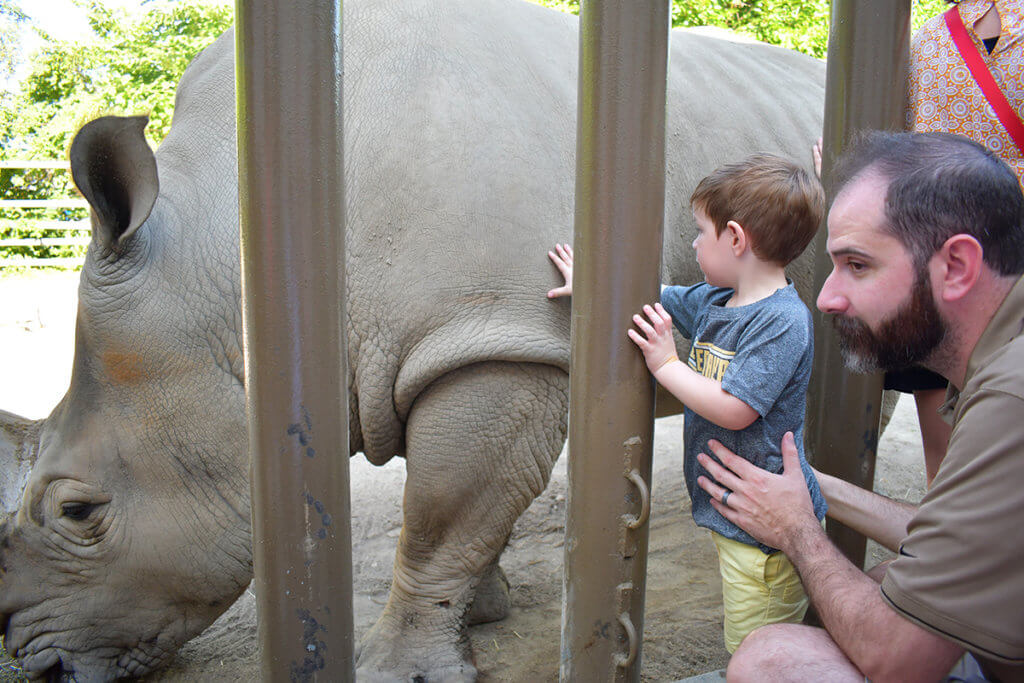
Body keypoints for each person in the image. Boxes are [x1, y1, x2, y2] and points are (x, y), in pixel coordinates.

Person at [696, 131, 1024, 682]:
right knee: (895, 580)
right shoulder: (999, 358)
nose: (826, 297)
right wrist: (813, 485)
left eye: (858, 265)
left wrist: (798, 528)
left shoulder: (1011, 397)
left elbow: (896, 659)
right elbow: (956, 538)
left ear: (959, 265)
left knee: (767, 658)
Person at [548, 153, 829, 654]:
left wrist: (666, 365)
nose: (694, 243)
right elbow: (652, 297)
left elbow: (736, 407)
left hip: (766, 529)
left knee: (757, 647)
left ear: (738, 239)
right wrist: (591, 286)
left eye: (701, 232)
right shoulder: (715, 299)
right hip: (735, 513)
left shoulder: (782, 321)